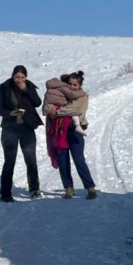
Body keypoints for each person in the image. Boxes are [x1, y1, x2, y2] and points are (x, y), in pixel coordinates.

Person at [44, 71, 97, 200]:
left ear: (80, 85)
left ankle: (90, 187)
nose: (72, 87)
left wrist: (57, 111)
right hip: (60, 131)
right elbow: (46, 107)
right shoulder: (62, 94)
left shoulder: (82, 97)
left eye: (75, 85)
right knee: (62, 160)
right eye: (70, 84)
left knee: (79, 159)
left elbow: (75, 109)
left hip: (74, 131)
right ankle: (68, 187)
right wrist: (50, 108)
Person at [0, 65, 44, 202]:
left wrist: (26, 90)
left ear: (26, 77)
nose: (20, 80)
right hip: (9, 128)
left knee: (31, 159)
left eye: (22, 77)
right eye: (17, 77)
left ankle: (34, 189)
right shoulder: (5, 87)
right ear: (12, 76)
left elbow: (37, 102)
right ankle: (5, 193)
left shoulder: (29, 86)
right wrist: (10, 113)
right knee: (9, 161)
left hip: (27, 127)